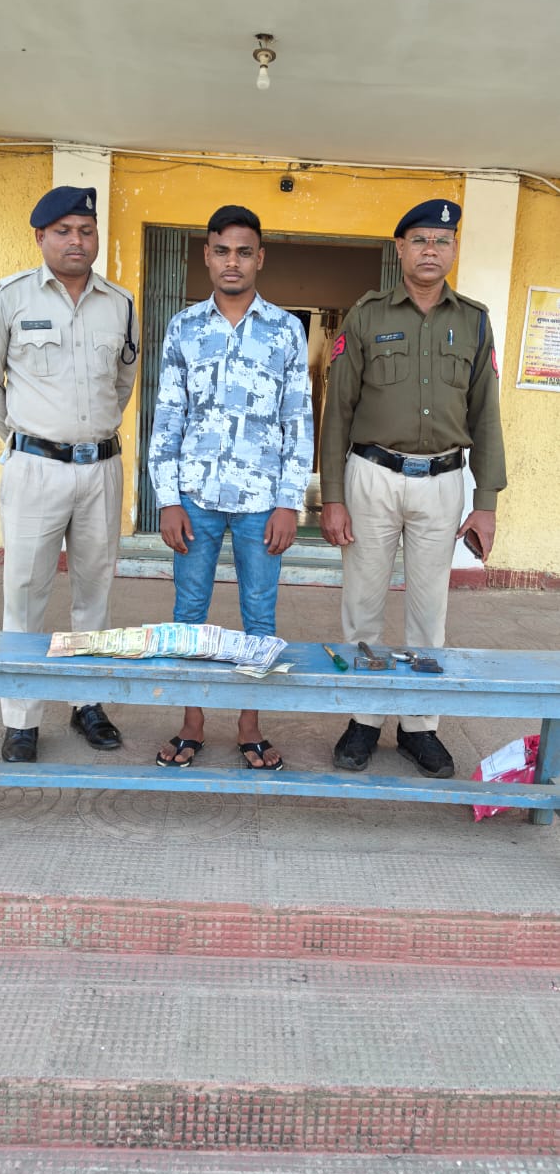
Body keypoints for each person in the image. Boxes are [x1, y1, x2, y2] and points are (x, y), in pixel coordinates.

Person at [319, 198, 507, 778]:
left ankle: (419, 727)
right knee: (362, 606)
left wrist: (485, 503)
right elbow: (337, 410)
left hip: (444, 481)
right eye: (420, 240)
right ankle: (363, 720)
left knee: (430, 613)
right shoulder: (366, 316)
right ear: (400, 249)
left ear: (453, 250)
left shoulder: (473, 321)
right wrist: (333, 495)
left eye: (442, 241)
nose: (431, 250)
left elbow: (487, 415)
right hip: (372, 476)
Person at [149, 204, 313, 771]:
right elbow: (168, 416)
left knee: (260, 616)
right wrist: (167, 498)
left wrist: (290, 501)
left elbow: (298, 421)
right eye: (222, 250)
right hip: (194, 497)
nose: (232, 262)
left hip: (261, 502)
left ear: (260, 258)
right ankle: (191, 722)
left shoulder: (286, 330)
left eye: (244, 251)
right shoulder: (183, 327)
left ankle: (250, 725)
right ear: (207, 255)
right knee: (188, 614)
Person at [0, 185, 139, 762]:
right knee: (25, 594)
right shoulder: (8, 298)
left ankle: (86, 701)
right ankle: (21, 719)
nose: (78, 241)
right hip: (35, 470)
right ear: (40, 236)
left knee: (95, 592)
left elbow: (122, 382)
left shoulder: (121, 304)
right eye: (65, 231)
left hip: (101, 470)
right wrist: (28, 440)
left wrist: (86, 435)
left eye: (86, 231)